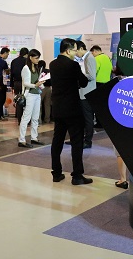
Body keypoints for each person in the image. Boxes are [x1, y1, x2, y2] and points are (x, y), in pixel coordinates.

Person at [50, 38, 91, 185]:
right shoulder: (73, 65)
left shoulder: (52, 64)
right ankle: (77, 175)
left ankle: (56, 173)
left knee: (57, 141)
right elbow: (84, 82)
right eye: (74, 50)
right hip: (73, 109)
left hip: (58, 108)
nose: (75, 53)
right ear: (68, 51)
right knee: (77, 142)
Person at [18, 49, 46, 148]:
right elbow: (25, 83)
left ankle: (34, 137)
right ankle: (22, 139)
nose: (38, 60)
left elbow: (36, 81)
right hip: (29, 95)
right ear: (30, 58)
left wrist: (40, 84)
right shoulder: (26, 68)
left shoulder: (37, 68)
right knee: (26, 117)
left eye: (38, 58)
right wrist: (35, 85)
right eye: (36, 58)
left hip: (37, 94)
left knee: (35, 118)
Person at [76, 41, 97, 148]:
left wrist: (80, 76)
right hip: (84, 92)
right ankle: (82, 139)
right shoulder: (87, 58)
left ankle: (88, 141)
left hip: (87, 93)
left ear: (81, 49)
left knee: (88, 118)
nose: (76, 54)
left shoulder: (89, 58)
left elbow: (92, 76)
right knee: (84, 118)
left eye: (76, 51)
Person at [90, 44, 113, 129]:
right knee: (104, 104)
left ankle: (99, 123)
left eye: (92, 53)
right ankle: (105, 122)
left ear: (95, 51)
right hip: (107, 83)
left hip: (98, 83)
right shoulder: (107, 58)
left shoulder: (96, 59)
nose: (92, 55)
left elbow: (93, 72)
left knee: (97, 105)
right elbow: (111, 69)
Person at [10, 48, 29, 125]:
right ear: (26, 54)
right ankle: (26, 120)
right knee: (26, 101)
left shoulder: (14, 61)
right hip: (24, 83)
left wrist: (12, 85)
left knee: (18, 101)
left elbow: (11, 74)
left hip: (16, 83)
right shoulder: (27, 61)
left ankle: (19, 119)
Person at [37, 60, 52, 124]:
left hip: (40, 88)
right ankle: (47, 119)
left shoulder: (38, 71)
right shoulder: (49, 71)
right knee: (47, 105)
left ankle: (39, 120)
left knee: (39, 105)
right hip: (48, 88)